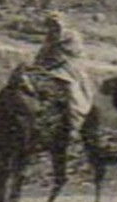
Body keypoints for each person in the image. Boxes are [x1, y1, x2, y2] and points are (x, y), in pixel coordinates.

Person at [32, 11, 94, 141]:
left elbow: (68, 55)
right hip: (50, 67)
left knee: (71, 89)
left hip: (69, 67)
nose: (53, 27)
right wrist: (36, 65)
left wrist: (49, 63)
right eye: (50, 24)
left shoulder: (72, 36)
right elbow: (43, 53)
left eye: (55, 24)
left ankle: (76, 124)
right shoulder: (50, 37)